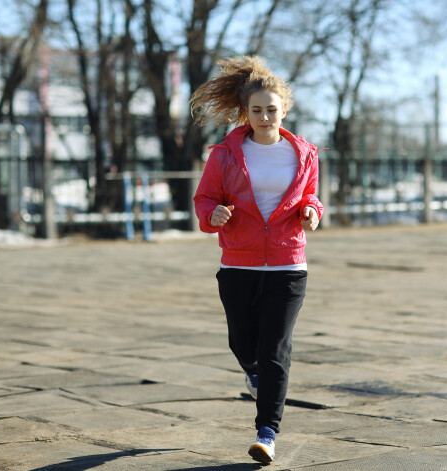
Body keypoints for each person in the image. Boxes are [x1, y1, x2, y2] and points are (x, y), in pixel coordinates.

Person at [191, 56, 324, 464]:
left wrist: (312, 211)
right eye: (257, 110)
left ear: (284, 110)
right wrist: (212, 215)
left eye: (272, 109)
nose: (265, 116)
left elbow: (310, 195)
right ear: (245, 112)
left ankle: (267, 432)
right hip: (239, 264)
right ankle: (251, 372)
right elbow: (205, 198)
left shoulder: (304, 153)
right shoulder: (225, 154)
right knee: (242, 343)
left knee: (275, 350)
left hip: (288, 264)